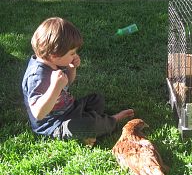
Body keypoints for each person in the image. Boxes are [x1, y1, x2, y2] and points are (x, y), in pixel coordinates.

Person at [22, 17, 134, 146]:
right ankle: (112, 120)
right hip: (55, 124)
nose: (74, 56)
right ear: (54, 55)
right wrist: (54, 87)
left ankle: (87, 130)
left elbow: (67, 83)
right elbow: (38, 113)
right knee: (90, 124)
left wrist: (71, 68)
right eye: (71, 53)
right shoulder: (37, 76)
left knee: (96, 99)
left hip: (71, 109)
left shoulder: (53, 62)